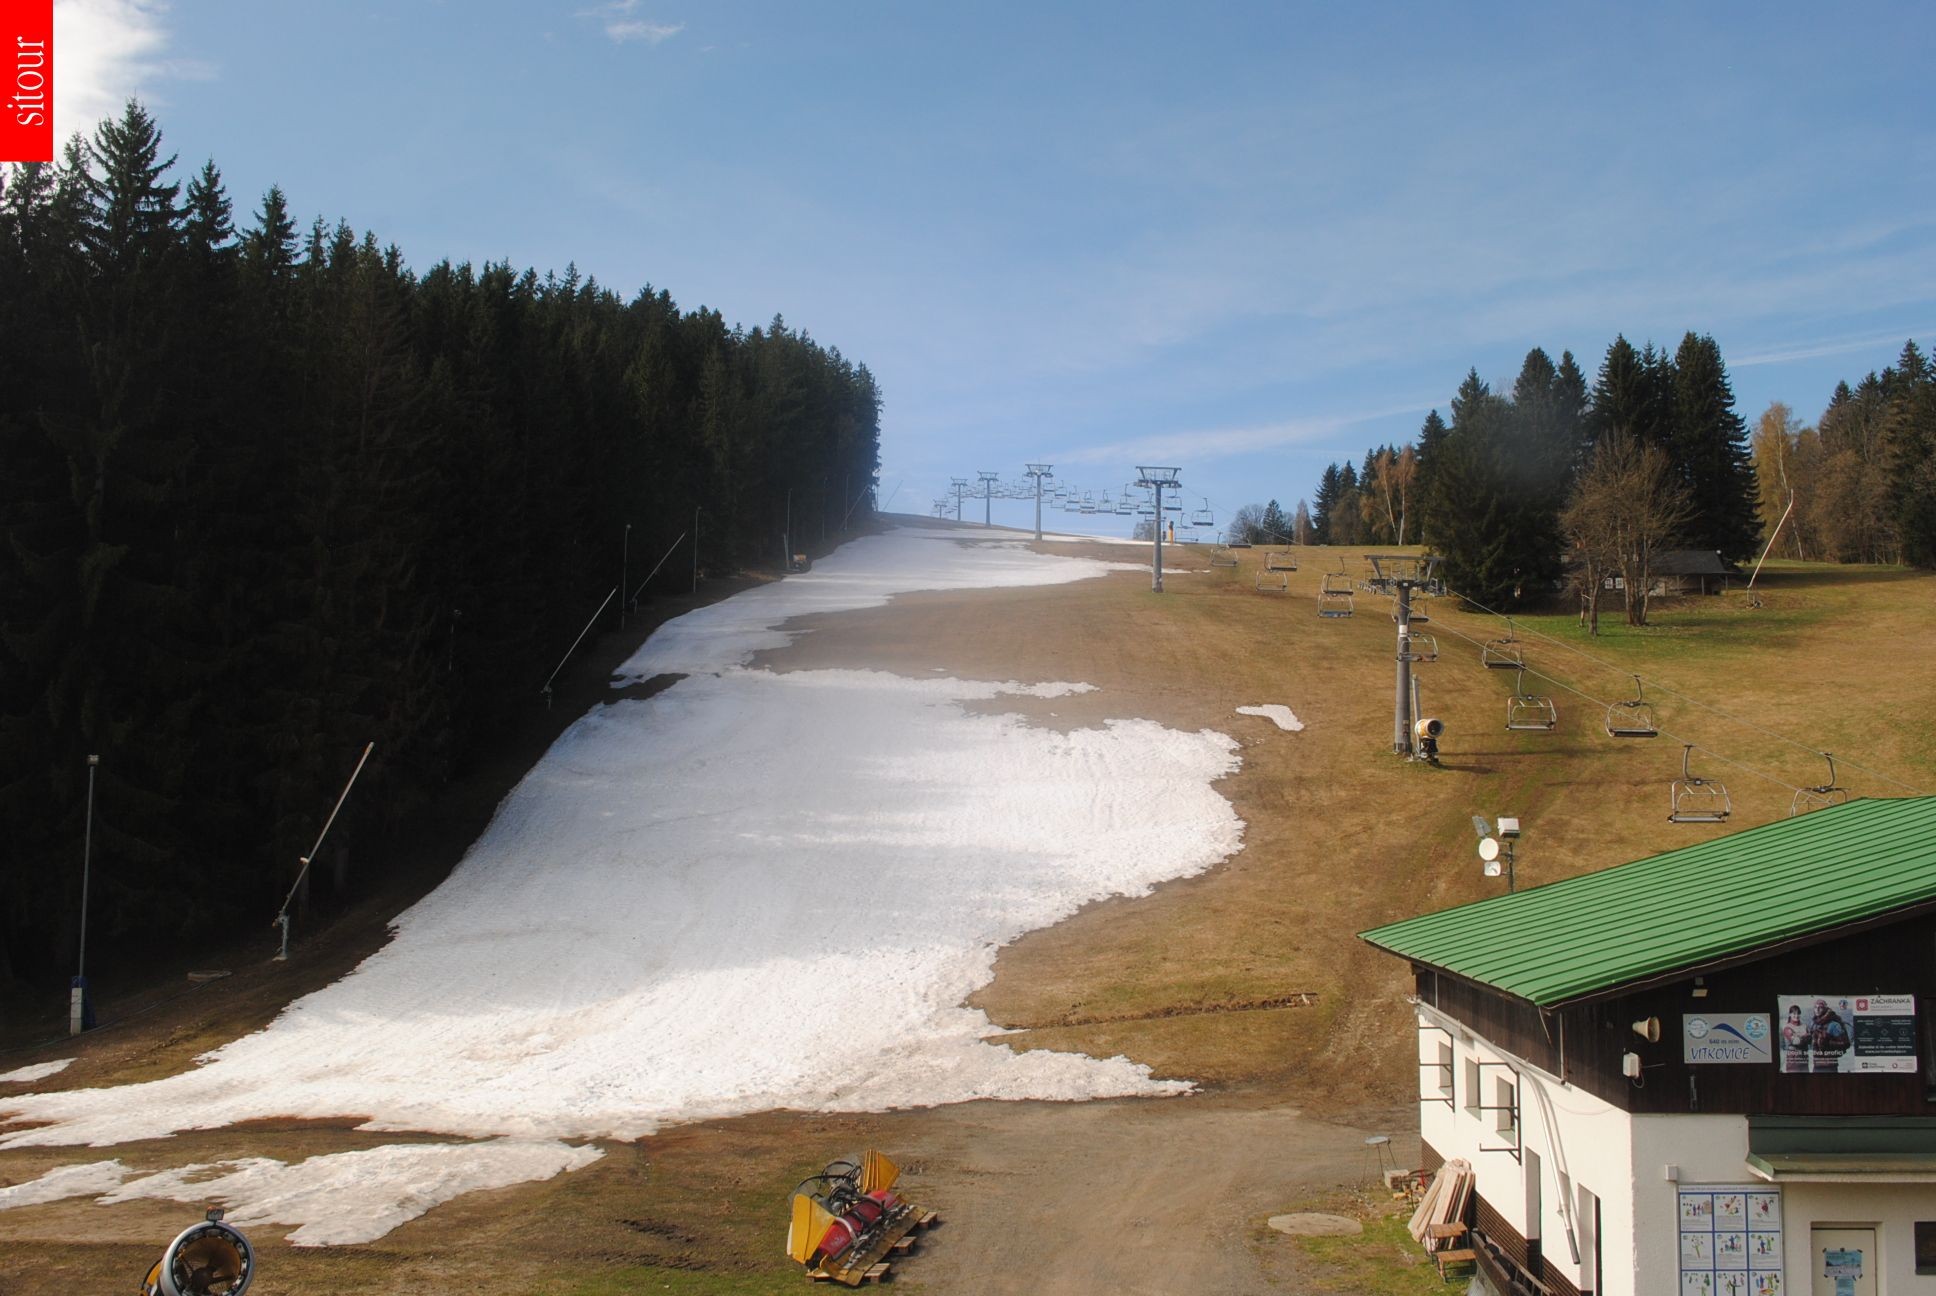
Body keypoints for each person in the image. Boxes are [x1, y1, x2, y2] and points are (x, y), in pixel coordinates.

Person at [1807, 997, 1851, 1072]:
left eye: (1820, 1007)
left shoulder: (1833, 1025)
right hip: (1817, 1065)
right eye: (1815, 1007)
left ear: (1824, 1009)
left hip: (1830, 1066)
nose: (1817, 1009)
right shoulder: (1814, 1024)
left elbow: (1845, 1043)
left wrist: (1828, 1042)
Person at [1778, 1003, 1807, 1073]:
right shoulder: (1787, 1027)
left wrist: (1799, 1036)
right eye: (1794, 1013)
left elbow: (1810, 1039)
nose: (1796, 1016)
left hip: (1804, 1061)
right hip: (1793, 1062)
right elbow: (1795, 1041)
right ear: (1790, 1014)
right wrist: (1805, 1036)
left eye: (1798, 1013)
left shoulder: (1804, 1026)